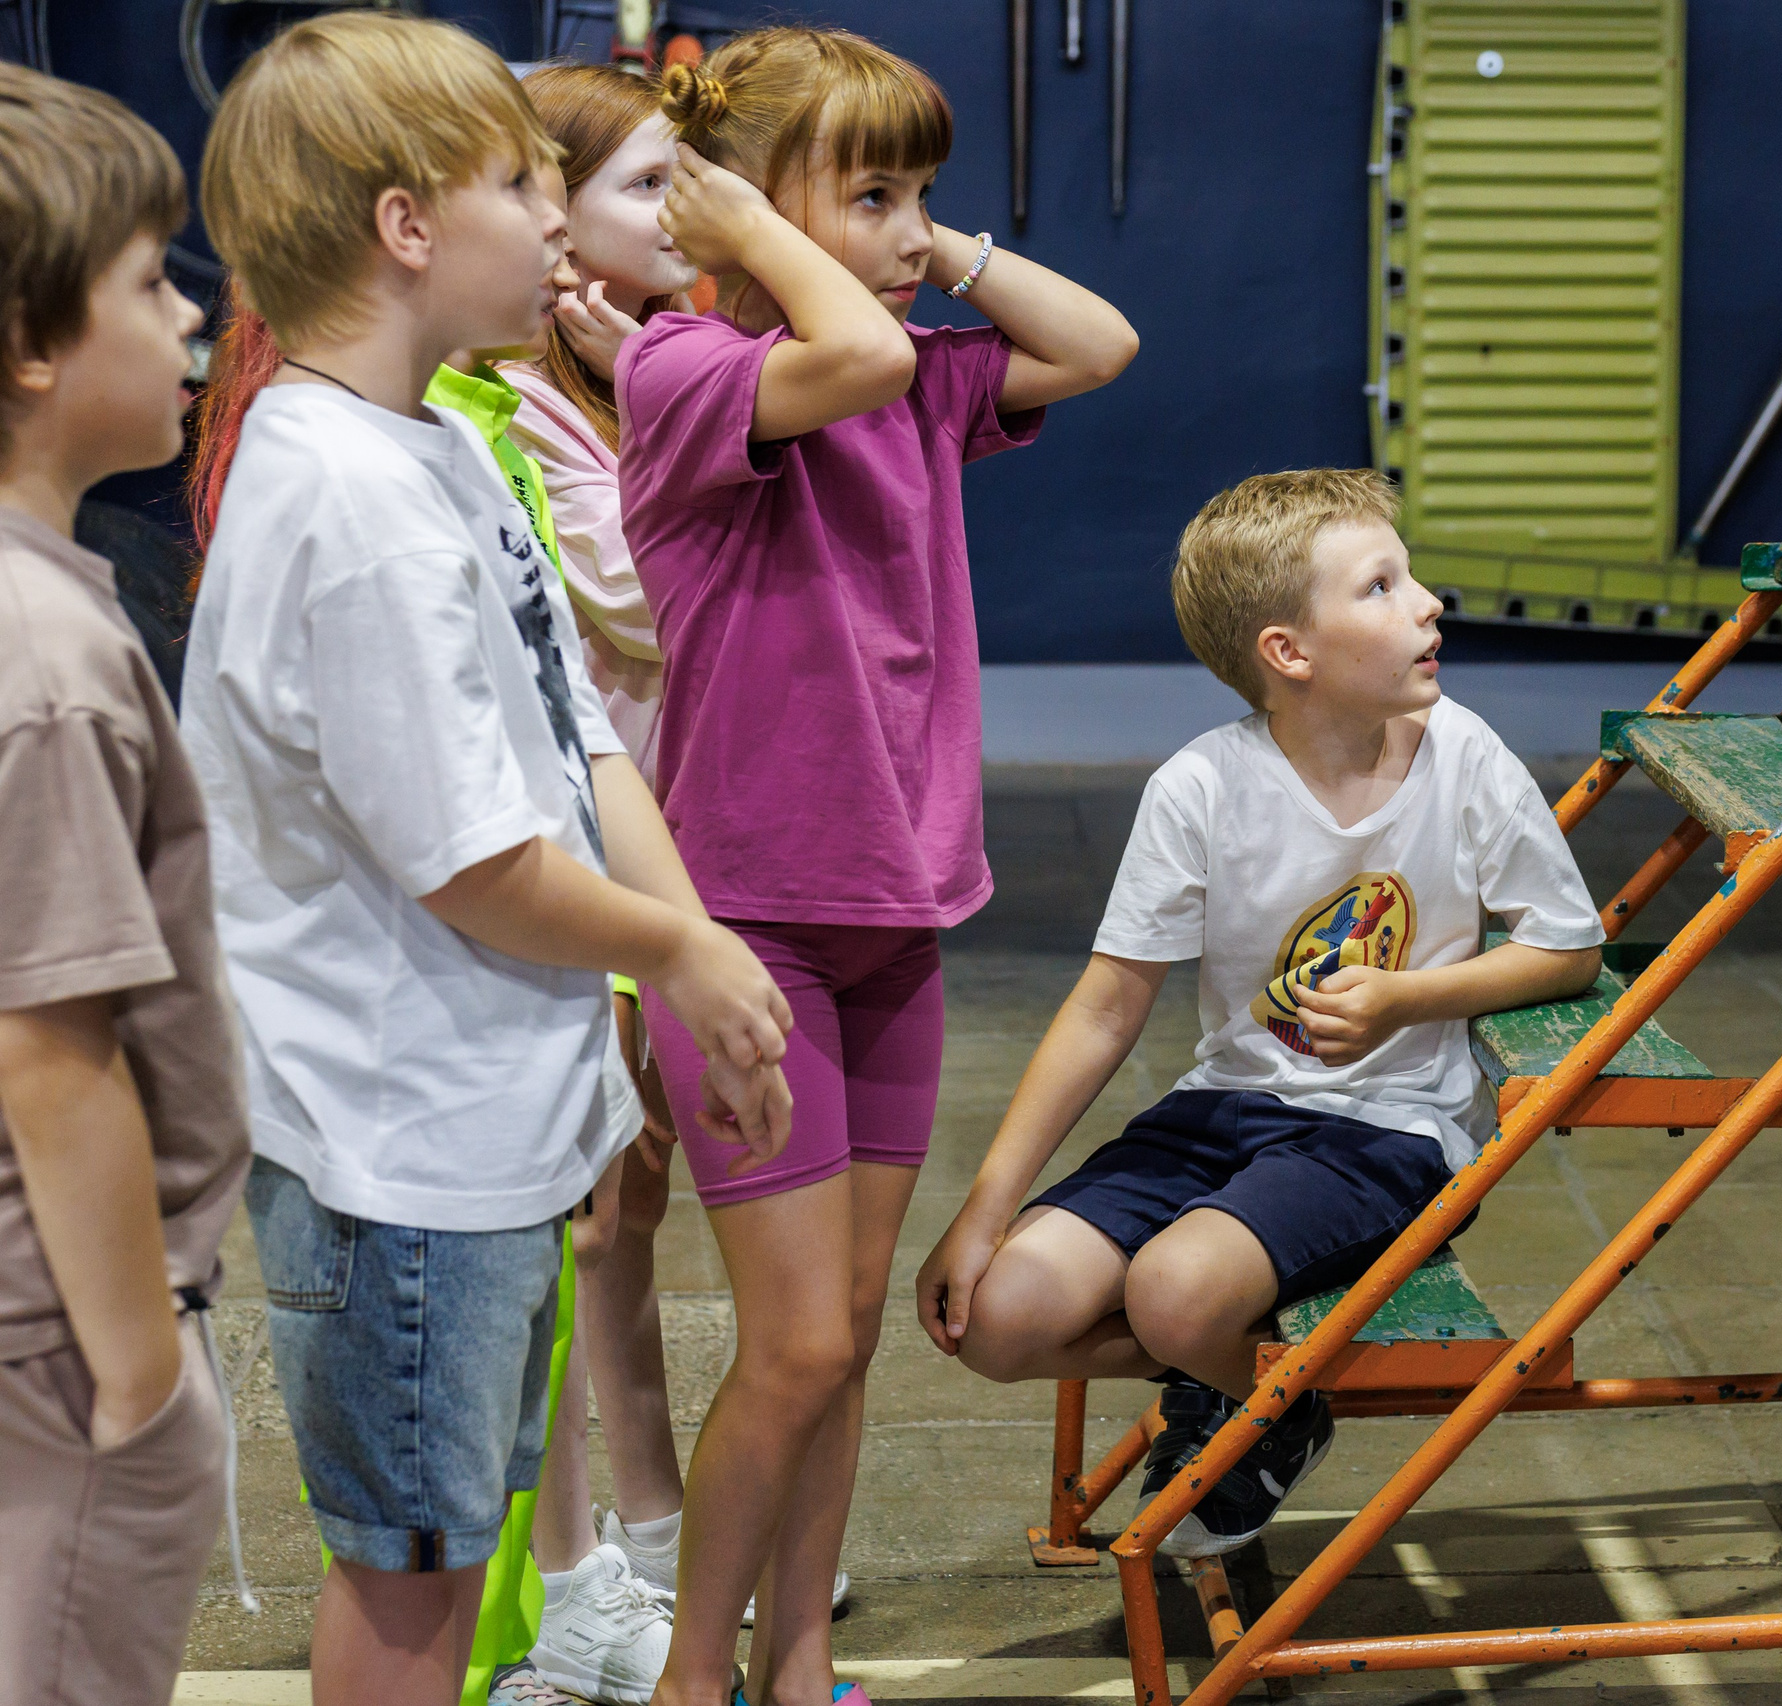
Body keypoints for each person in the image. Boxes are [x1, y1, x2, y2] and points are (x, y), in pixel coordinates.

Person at [184, 16, 794, 1706]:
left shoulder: (450, 441)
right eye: (523, 185)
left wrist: (687, 948)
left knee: (452, 1551)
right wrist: (689, 957)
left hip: (485, 1132)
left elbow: (574, 736)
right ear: (404, 226)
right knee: (413, 1593)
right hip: (399, 1161)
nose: (559, 223)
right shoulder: (346, 499)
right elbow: (476, 862)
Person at [613, 27, 1137, 1706]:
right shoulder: (689, 369)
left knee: (840, 1333)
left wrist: (929, 243)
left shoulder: (916, 365)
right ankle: (700, 1674)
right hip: (748, 924)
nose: (913, 231)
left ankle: (802, 1662)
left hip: (896, 921)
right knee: (803, 1341)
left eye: (925, 191)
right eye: (876, 192)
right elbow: (843, 350)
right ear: (740, 211)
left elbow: (1100, 343)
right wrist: (754, 234)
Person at [915, 469, 1605, 1558]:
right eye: (1381, 586)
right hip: (1225, 1109)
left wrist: (1405, 999)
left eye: (1409, 573)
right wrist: (981, 1213)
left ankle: (1249, 1399)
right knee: (999, 1316)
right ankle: (1253, 1385)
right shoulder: (1200, 785)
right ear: (1290, 652)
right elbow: (1105, 1007)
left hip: (1387, 1128)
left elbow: (1567, 947)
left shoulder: (1462, 753)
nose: (1426, 601)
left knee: (1175, 1293)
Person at [0, 61, 246, 1706]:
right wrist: (141, 1382)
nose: (194, 317)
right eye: (151, 281)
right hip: (65, 1339)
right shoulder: (54, 659)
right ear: (27, 344)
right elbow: (52, 1051)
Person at [499, 63, 705, 1695]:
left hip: (657, 848)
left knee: (621, 1220)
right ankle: (576, 1579)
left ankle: (644, 1525)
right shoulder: (515, 408)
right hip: (572, 877)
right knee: (579, 1223)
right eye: (650, 184)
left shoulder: (626, 379)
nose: (686, 215)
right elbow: (651, 608)